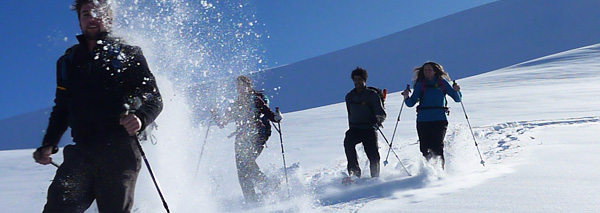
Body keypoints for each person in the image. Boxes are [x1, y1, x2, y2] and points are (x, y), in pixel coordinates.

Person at [32, 0, 163, 212]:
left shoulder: (129, 55)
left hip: (120, 150)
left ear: (109, 19)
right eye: (85, 14)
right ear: (79, 23)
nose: (92, 17)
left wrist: (140, 117)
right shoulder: (68, 62)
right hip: (82, 150)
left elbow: (154, 97)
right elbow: (62, 108)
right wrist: (49, 143)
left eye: (98, 13)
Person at [214, 75, 282, 203]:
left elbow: (269, 114)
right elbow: (222, 123)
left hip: (257, 134)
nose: (240, 89)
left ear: (248, 87)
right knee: (241, 170)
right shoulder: (236, 105)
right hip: (241, 139)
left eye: (242, 86)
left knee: (246, 162)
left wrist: (277, 117)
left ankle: (267, 186)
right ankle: (251, 200)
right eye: (238, 86)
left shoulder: (255, 100)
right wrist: (215, 114)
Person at [401, 61, 461, 169]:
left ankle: (439, 171)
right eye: (425, 70)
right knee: (424, 147)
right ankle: (430, 170)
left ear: (434, 71)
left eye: (429, 69)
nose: (427, 72)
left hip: (439, 119)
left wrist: (457, 91)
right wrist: (406, 97)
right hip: (423, 120)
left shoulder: (442, 82)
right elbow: (411, 103)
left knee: (437, 146)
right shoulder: (420, 84)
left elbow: (457, 99)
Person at [344, 67, 386, 178]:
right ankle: (354, 175)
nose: (357, 82)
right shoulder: (349, 96)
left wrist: (377, 120)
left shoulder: (372, 95)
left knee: (373, 156)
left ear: (364, 80)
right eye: (355, 79)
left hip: (369, 128)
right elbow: (350, 113)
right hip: (355, 129)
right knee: (348, 143)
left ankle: (375, 177)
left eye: (359, 79)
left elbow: (381, 113)